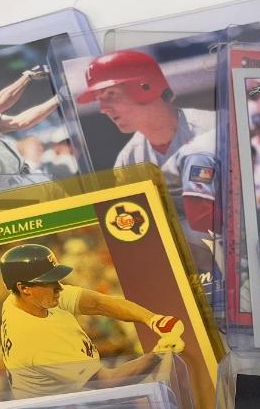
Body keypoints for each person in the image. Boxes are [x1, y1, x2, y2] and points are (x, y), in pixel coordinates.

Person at [76, 50, 219, 274]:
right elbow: (133, 228)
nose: (103, 109)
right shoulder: (129, 160)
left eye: (110, 94)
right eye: (98, 99)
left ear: (145, 86)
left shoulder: (215, 128)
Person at [0, 243, 186, 397]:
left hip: (75, 396)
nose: (59, 288)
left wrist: (152, 319)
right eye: (48, 282)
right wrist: (158, 355)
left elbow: (97, 303)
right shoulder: (37, 338)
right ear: (24, 288)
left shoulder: (21, 300)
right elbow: (107, 383)